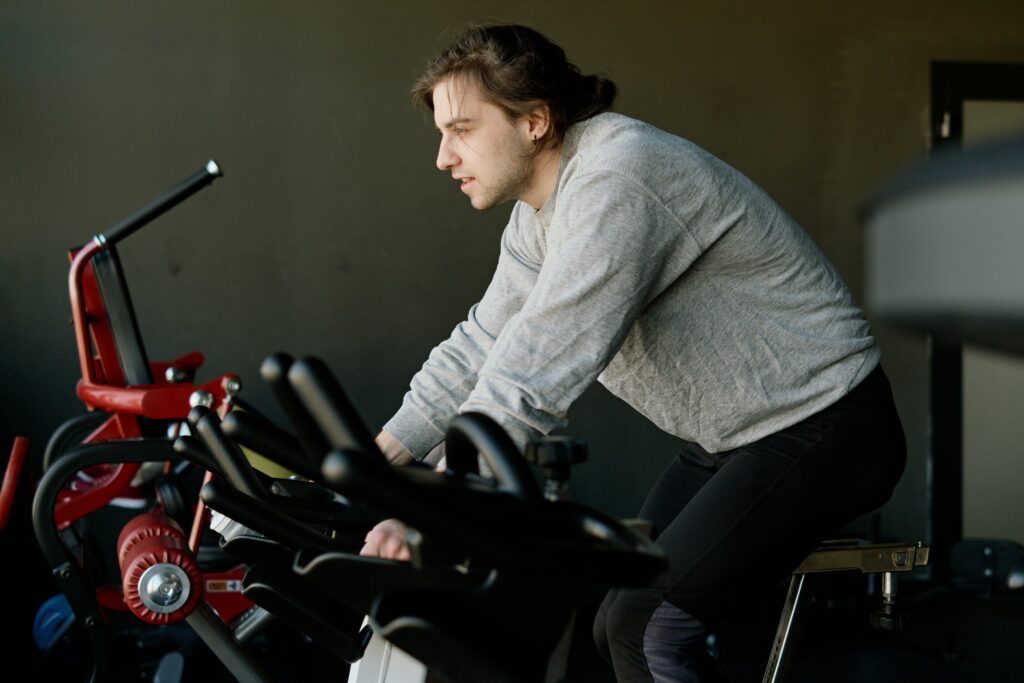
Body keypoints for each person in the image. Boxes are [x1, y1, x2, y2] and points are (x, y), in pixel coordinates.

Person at [360, 23, 906, 683]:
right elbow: (483, 342)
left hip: (827, 427)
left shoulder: (619, 174)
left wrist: (432, 512)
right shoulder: (540, 215)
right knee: (614, 617)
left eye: (463, 130)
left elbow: (533, 369)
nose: (444, 156)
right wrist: (373, 465)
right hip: (733, 440)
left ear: (534, 120)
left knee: (645, 624)